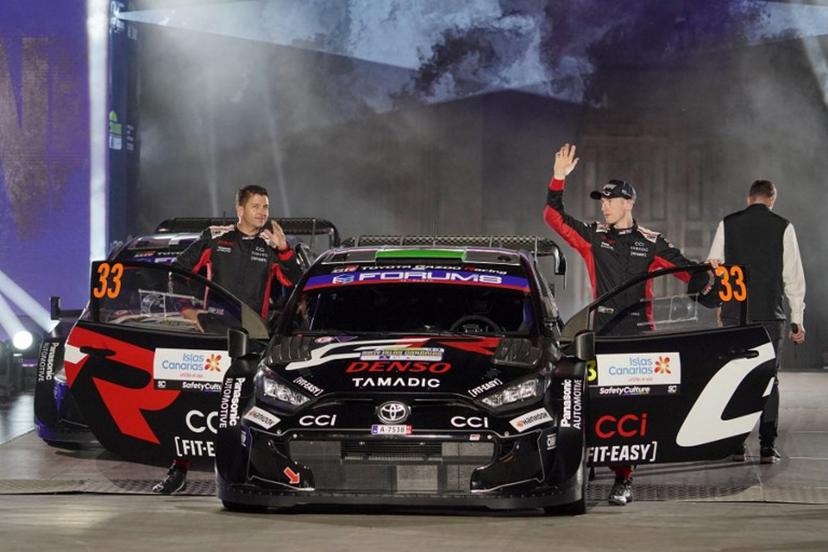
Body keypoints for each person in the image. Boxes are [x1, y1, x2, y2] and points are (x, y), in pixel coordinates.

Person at [543, 143, 702, 506]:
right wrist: (558, 179)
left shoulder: (651, 243)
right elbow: (554, 218)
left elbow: (687, 273)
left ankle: (624, 479)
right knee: (592, 404)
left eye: (611, 200)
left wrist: (709, 273)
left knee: (629, 410)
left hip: (639, 338)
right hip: (602, 337)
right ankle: (586, 468)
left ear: (629, 203)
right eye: (602, 200)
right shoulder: (593, 236)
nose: (604, 205)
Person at [152, 184, 303, 494]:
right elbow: (178, 271)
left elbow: (296, 284)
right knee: (195, 400)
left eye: (266, 207)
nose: (263, 212)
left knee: (250, 406)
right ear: (240, 210)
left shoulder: (271, 246)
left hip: (253, 340)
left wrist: (284, 250)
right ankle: (178, 470)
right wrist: (187, 310)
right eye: (257, 206)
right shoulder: (216, 237)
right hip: (214, 335)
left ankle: (248, 471)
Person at [707, 179, 806, 465]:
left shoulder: (728, 223)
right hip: (769, 315)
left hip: (734, 314)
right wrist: (797, 321)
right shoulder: (783, 226)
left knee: (734, 377)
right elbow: (793, 279)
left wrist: (724, 304)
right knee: (769, 380)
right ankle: (766, 445)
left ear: (748, 198)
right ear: (772, 199)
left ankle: (735, 442)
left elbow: (714, 264)